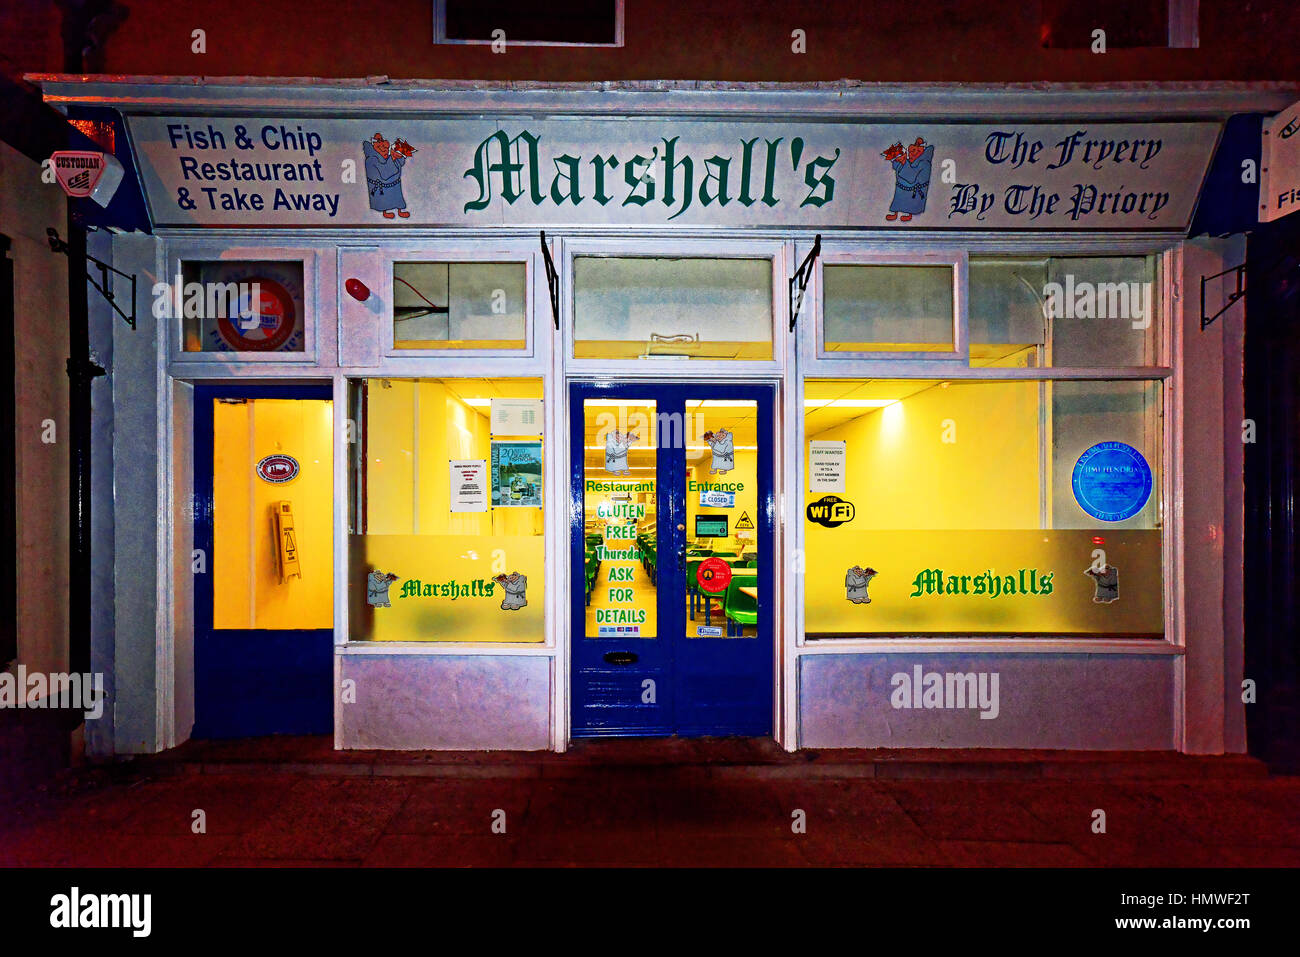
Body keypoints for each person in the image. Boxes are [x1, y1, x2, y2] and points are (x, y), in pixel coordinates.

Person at [362, 133, 415, 219]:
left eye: (386, 148)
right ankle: (385, 212)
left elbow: (399, 164)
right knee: (384, 201)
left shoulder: (387, 156)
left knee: (397, 198)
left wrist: (401, 154)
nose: (384, 149)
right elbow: (385, 174)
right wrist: (393, 158)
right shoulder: (372, 159)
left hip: (395, 186)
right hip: (381, 189)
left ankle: (399, 210)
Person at [884, 137, 935, 222]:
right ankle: (895, 213)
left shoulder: (924, 164)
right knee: (899, 199)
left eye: (917, 152)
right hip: (901, 188)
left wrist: (904, 162)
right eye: (910, 152)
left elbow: (911, 177)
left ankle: (909, 214)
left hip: (914, 192)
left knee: (910, 203)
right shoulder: (910, 160)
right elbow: (898, 167)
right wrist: (895, 159)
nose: (912, 154)